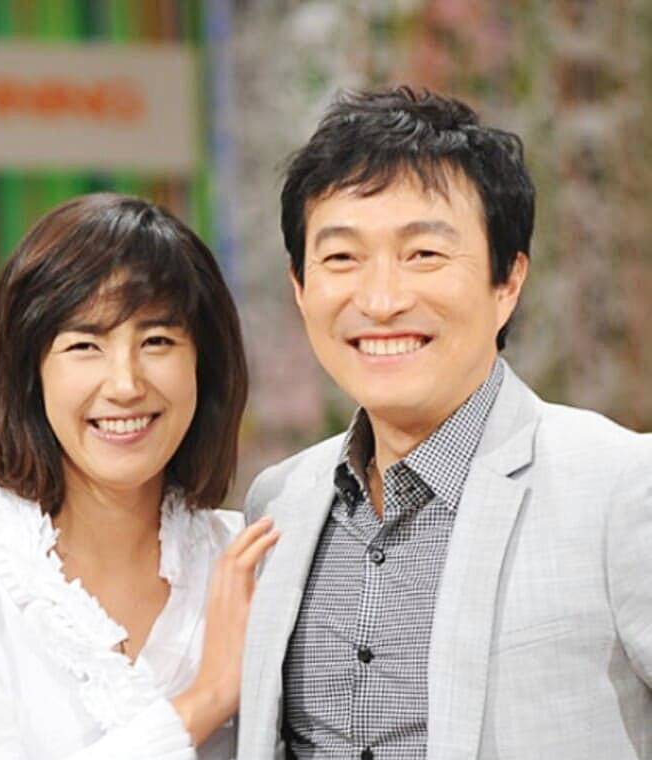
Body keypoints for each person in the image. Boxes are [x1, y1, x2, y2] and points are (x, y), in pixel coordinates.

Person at [239, 86, 652, 759]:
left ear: (507, 282)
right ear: (300, 287)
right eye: (341, 258)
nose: (381, 299)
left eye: (424, 254)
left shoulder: (622, 485)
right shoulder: (279, 502)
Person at [0, 193, 279, 760]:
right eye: (85, 345)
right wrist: (208, 698)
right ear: (31, 374)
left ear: (203, 364)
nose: (125, 384)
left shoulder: (248, 561)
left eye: (157, 341)